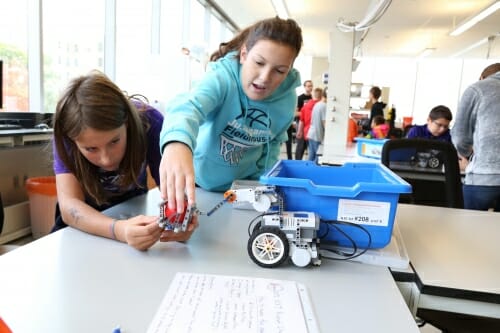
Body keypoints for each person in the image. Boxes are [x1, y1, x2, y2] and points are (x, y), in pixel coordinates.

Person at [159, 17, 303, 214]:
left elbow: (274, 142)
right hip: (199, 186)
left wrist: (263, 184)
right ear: (244, 54)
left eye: (279, 71)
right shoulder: (222, 77)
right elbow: (188, 107)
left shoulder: (287, 99)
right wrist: (177, 143)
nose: (265, 77)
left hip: (243, 191)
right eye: (259, 62)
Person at [51, 72, 196, 251]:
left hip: (131, 209)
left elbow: (174, 191)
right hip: (82, 221)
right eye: (91, 149)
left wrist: (182, 219)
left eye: (114, 141)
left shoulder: (150, 122)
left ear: (127, 122)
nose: (106, 159)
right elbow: (69, 206)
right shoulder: (67, 131)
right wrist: (118, 230)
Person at [452, 63, 500, 211]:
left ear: (482, 77)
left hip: (485, 176)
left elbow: (460, 135)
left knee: (470, 230)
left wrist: (468, 155)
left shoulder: (478, 88)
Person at [296, 87, 322, 160]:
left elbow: (302, 120)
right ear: (321, 96)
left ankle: (309, 167)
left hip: (308, 132)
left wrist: (299, 131)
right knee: (317, 153)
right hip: (318, 132)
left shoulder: (306, 105)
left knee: (311, 152)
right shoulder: (321, 105)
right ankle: (314, 169)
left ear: (312, 95)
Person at [293, 80, 313, 160]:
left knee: (311, 144)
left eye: (311, 86)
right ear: (304, 87)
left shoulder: (313, 98)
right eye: (308, 86)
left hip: (311, 124)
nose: (309, 87)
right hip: (301, 123)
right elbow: (295, 113)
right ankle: (298, 161)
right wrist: (306, 114)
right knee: (301, 144)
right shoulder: (300, 98)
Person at [306, 88, 327, 161]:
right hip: (317, 135)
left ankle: (308, 171)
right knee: (317, 158)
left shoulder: (317, 104)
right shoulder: (324, 106)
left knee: (311, 157)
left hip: (311, 134)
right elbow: (325, 123)